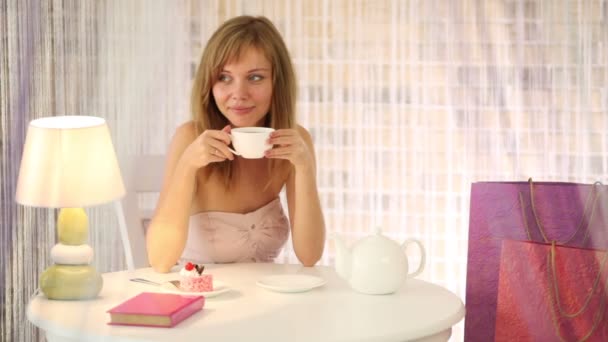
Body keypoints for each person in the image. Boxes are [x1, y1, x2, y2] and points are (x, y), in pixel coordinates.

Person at [146, 15, 326, 273]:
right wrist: (187, 165)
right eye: (224, 77)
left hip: (265, 298)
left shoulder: (295, 141)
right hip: (201, 300)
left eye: (255, 78)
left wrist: (305, 168)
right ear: (209, 83)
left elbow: (310, 255)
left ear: (278, 82)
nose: (238, 94)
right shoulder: (189, 138)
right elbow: (160, 260)